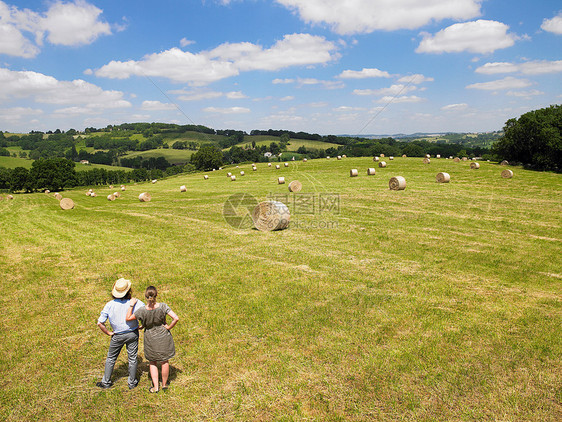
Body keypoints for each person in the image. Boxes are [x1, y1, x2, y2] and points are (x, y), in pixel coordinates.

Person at [126, 285, 179, 393]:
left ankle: (155, 387)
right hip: (163, 336)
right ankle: (164, 385)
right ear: (156, 295)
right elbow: (176, 318)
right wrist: (169, 327)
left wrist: (131, 306)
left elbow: (128, 318)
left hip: (150, 338)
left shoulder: (142, 310)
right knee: (165, 361)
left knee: (152, 362)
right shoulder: (163, 306)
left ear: (146, 296)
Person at [96, 278, 144, 389]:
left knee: (111, 358)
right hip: (132, 333)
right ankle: (132, 383)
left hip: (117, 335)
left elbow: (100, 323)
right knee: (132, 358)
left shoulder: (109, 305)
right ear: (129, 291)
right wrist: (142, 325)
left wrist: (108, 332)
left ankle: (106, 382)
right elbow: (146, 313)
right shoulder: (135, 302)